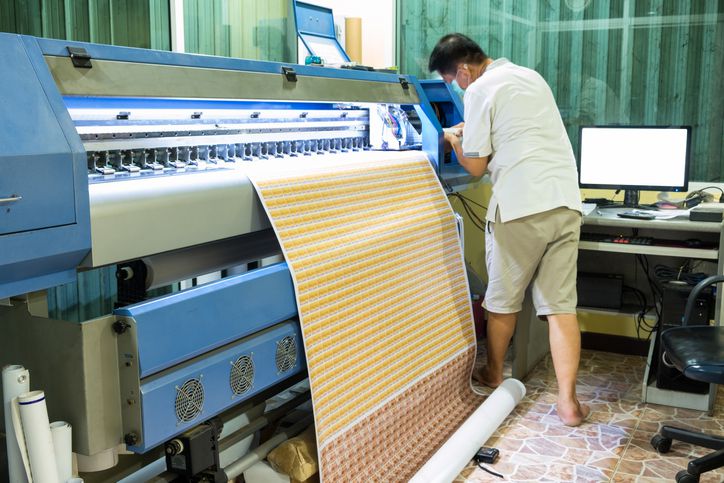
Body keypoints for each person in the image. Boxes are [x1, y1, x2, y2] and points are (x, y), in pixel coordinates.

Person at [429, 33, 590, 426]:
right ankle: (568, 403)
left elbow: (476, 167)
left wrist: (452, 139)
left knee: (502, 301)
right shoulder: (529, 76)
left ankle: (493, 373)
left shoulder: (478, 88)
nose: (456, 87)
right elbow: (518, 131)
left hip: (521, 206)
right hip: (565, 202)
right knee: (560, 307)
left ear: (463, 70)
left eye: (452, 80)